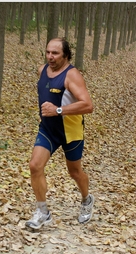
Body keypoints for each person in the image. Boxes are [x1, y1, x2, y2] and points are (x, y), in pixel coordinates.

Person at [25, 37, 94, 230]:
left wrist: (58, 110)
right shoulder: (42, 70)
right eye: (48, 52)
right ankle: (42, 211)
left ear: (66, 55)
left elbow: (88, 105)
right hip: (48, 130)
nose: (50, 57)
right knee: (35, 165)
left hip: (70, 132)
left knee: (74, 172)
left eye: (55, 53)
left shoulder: (72, 76)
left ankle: (86, 200)